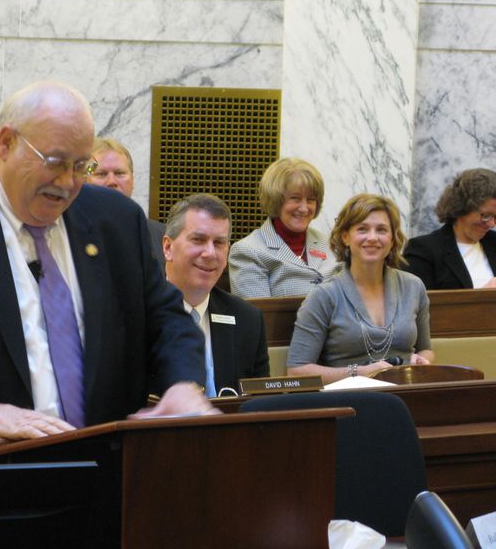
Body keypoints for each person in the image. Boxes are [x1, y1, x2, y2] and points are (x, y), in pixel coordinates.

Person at [0, 80, 216, 466]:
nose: (67, 183)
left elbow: (164, 318)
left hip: (97, 472)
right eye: (55, 162)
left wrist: (182, 385)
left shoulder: (116, 220)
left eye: (82, 166)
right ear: (7, 142)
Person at [287, 193, 434, 383]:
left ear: (393, 238)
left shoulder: (414, 287)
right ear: (346, 236)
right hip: (349, 401)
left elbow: (426, 349)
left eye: (381, 230)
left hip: (406, 392)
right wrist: (360, 372)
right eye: (362, 229)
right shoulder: (324, 296)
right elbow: (296, 371)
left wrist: (422, 361)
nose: (372, 238)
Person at [163, 194, 269, 396]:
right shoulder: (136, 314)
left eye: (219, 243)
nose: (210, 253)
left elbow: (260, 406)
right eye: (198, 240)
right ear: (168, 247)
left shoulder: (248, 320)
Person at [229, 157, 341, 298]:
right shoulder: (249, 251)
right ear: (275, 200)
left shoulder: (331, 244)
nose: (304, 208)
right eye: (295, 198)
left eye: (311, 199)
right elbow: (257, 317)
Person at [403, 167, 496, 289]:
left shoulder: (493, 242)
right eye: (485, 215)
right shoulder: (423, 250)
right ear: (463, 207)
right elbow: (417, 305)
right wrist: (484, 296)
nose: (492, 224)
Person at [87, 137, 166, 264]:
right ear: (84, 181)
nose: (111, 182)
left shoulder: (161, 236)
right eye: (101, 174)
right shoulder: (69, 234)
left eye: (119, 173)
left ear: (133, 180)